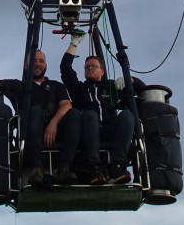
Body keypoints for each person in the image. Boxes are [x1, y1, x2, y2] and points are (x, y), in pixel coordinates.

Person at [0, 49, 80, 187]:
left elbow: (66, 105)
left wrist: (53, 123)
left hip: (55, 133)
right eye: (34, 61)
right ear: (26, 65)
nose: (38, 64)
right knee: (35, 110)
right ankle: (36, 169)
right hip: (30, 135)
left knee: (74, 113)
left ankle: (65, 168)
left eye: (41, 61)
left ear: (46, 65)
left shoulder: (56, 86)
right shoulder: (19, 86)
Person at [59, 32, 137, 185]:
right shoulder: (79, 89)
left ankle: (117, 165)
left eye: (93, 66)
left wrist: (131, 80)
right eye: (87, 67)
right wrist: (74, 44)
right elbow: (65, 69)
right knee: (90, 114)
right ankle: (94, 166)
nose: (89, 69)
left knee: (127, 116)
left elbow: (139, 89)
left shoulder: (112, 87)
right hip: (88, 131)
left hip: (108, 129)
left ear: (102, 71)